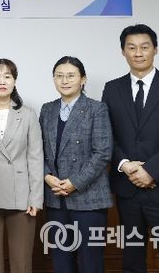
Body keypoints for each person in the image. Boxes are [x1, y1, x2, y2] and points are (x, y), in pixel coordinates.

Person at [102, 24, 159, 273]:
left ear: (156, 49)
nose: (138, 53)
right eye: (131, 47)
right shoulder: (112, 89)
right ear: (123, 51)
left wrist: (151, 171)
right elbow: (106, 134)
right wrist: (125, 165)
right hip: (127, 189)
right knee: (132, 260)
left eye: (144, 47)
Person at [39, 56, 112, 273]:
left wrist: (74, 183)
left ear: (83, 79)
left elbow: (102, 153)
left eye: (71, 76)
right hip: (56, 197)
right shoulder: (47, 109)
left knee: (90, 263)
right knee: (61, 262)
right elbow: (37, 151)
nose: (65, 80)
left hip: (88, 199)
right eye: (59, 76)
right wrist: (46, 176)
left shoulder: (96, 109)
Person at [0, 58, 43, 273]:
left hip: (22, 195)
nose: (2, 81)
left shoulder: (28, 114)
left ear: (15, 81)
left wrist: (36, 198)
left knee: (21, 261)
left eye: (7, 76)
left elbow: (35, 157)